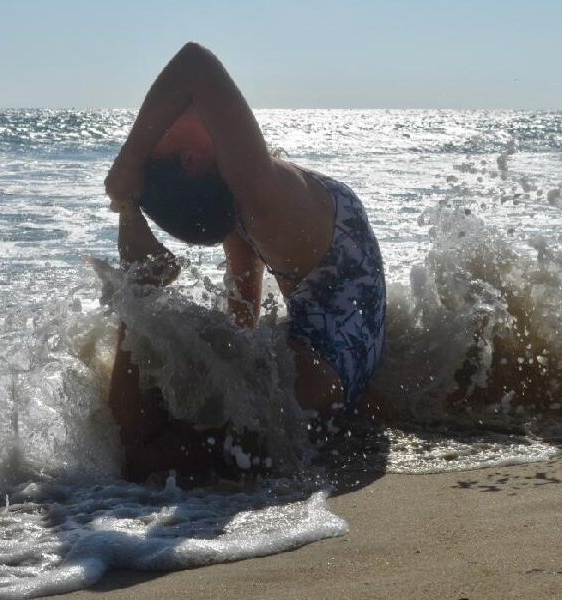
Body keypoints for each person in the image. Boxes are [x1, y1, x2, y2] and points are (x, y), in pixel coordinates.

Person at [103, 43, 386, 481]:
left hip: (321, 377)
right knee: (150, 437)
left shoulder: (258, 193)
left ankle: (140, 287)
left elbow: (195, 65)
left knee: (139, 458)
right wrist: (131, 164)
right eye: (166, 130)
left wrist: (130, 181)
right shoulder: (250, 200)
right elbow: (195, 64)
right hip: (340, 367)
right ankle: (142, 287)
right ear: (191, 159)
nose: (179, 113)